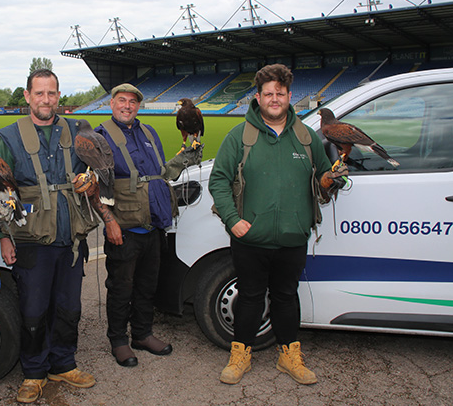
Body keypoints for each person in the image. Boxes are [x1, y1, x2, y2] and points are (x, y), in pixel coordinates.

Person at [208, 64, 346, 385]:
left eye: (279, 93)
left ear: (289, 96)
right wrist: (233, 221)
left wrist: (332, 180)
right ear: (258, 97)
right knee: (251, 297)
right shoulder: (239, 135)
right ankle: (240, 355)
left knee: (286, 297)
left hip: (293, 238)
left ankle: (289, 356)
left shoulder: (306, 137)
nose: (274, 99)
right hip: (249, 239)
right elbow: (219, 181)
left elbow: (323, 179)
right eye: (268, 94)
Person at [0, 69, 97, 404]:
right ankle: (34, 372)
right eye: (39, 93)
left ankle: (63, 364)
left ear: (58, 96)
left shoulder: (75, 130)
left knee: (69, 308)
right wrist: (4, 236)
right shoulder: (9, 136)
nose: (46, 100)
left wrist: (91, 181)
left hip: (71, 237)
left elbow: (90, 173)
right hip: (31, 239)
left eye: (52, 93)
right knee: (34, 310)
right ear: (27, 96)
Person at [94, 83, 201, 368]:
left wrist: (184, 160)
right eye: (121, 100)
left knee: (147, 286)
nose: (127, 105)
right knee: (121, 287)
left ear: (138, 106)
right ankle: (119, 340)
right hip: (124, 228)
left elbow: (160, 174)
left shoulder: (150, 133)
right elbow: (93, 187)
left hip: (154, 225)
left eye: (132, 101)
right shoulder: (101, 137)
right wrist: (109, 222)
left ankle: (142, 334)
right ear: (112, 104)